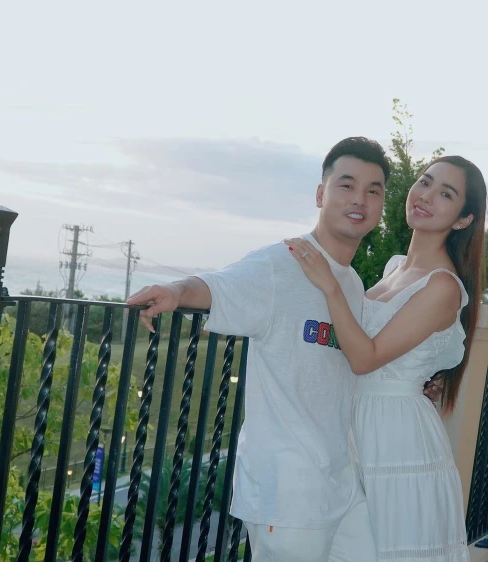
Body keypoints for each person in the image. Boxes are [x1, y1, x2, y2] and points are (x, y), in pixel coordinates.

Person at [128, 137, 416, 561]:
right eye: (346, 185)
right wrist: (174, 291)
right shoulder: (281, 264)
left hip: (339, 482)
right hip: (288, 490)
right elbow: (219, 284)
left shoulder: (351, 283)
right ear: (320, 194)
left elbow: (356, 360)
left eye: (373, 190)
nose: (359, 199)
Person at [284, 155, 487, 562]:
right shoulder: (396, 268)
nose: (426, 196)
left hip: (396, 437)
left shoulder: (443, 286)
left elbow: (366, 357)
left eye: (446, 194)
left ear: (463, 219)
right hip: (357, 421)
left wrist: (330, 286)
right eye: (425, 182)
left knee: (392, 546)